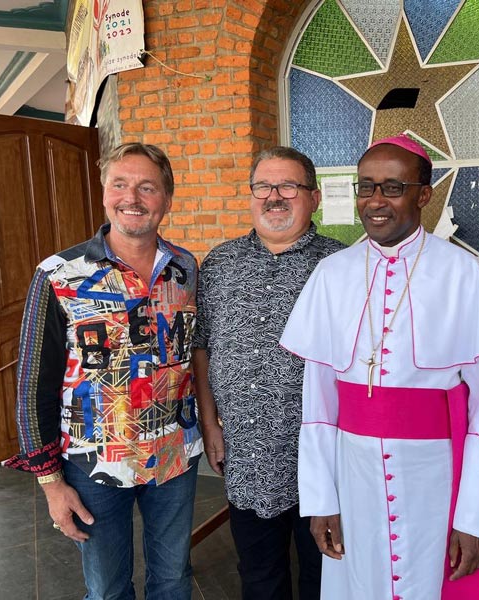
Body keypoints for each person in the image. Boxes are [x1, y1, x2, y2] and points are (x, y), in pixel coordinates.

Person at [280, 134, 479, 600]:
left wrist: (475, 517)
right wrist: (321, 501)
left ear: (423, 194)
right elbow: (318, 406)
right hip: (353, 474)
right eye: (366, 187)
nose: (375, 201)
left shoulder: (465, 275)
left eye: (392, 187)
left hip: (436, 476)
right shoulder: (331, 274)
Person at [6, 143, 202, 599]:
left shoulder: (185, 268)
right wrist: (51, 484)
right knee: (108, 590)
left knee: (173, 580)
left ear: (166, 200)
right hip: (94, 463)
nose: (131, 197)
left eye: (147, 187)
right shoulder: (59, 274)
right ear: (104, 192)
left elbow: (193, 354)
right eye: (120, 184)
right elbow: (34, 383)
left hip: (174, 455)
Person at [192, 146, 344, 599]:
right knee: (259, 577)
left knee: (326, 573)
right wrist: (210, 422)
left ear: (313, 198)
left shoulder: (342, 266)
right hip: (247, 452)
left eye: (289, 186)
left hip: (324, 457)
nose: (274, 197)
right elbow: (201, 345)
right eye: (263, 186)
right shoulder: (219, 264)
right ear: (251, 195)